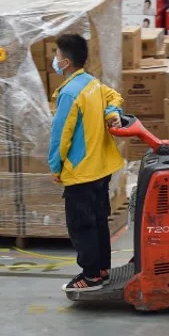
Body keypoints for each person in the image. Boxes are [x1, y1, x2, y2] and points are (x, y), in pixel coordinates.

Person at [48, 34, 125, 291]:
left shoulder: (70, 94)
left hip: (82, 172)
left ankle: (91, 275)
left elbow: (61, 135)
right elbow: (114, 97)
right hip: (101, 168)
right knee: (100, 220)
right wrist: (113, 113)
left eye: (56, 56)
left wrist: (56, 166)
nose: (54, 60)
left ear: (66, 61)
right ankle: (102, 268)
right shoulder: (92, 84)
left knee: (82, 225)